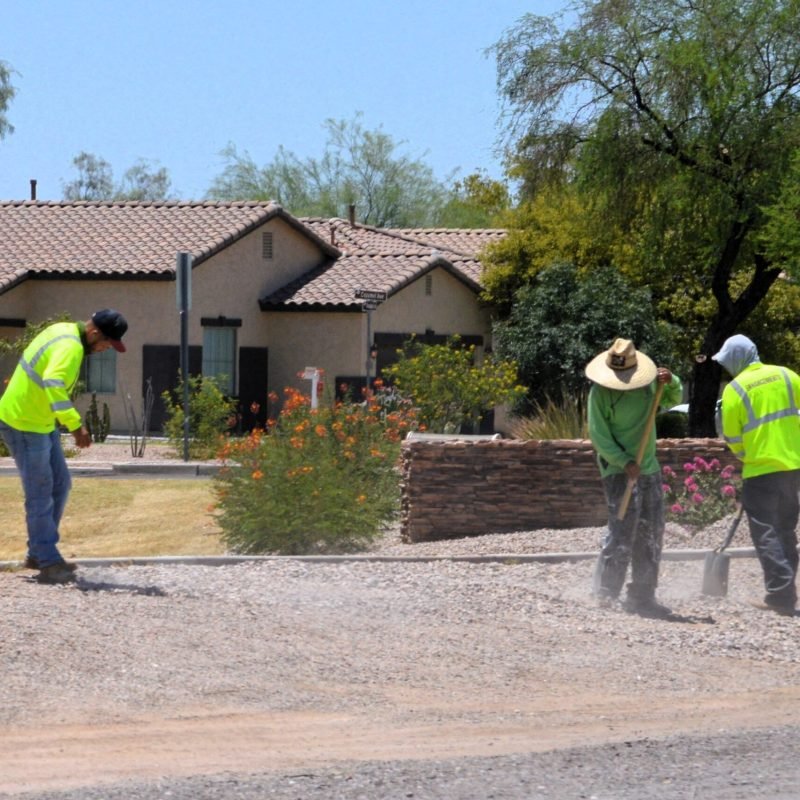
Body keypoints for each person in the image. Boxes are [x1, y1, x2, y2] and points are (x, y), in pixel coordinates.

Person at [0, 309, 128, 584]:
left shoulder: (64, 330)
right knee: (40, 491)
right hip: (23, 422)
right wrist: (75, 425)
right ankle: (47, 560)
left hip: (40, 421)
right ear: (94, 333)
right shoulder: (70, 347)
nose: (106, 349)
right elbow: (53, 383)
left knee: (60, 484)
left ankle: (39, 552)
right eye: (107, 343)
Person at [585, 338, 682, 616]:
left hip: (648, 467)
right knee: (622, 528)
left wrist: (671, 381)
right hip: (617, 469)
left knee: (651, 531)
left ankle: (642, 595)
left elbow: (673, 397)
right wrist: (624, 461)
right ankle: (605, 592)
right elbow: (599, 435)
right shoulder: (600, 393)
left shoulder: (650, 385)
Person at [712, 334, 800, 616]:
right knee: (785, 528)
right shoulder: (787, 376)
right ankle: (786, 590)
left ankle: (781, 593)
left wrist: (746, 457)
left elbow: (732, 436)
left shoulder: (735, 390)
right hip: (793, 467)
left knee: (765, 531)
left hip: (760, 469)